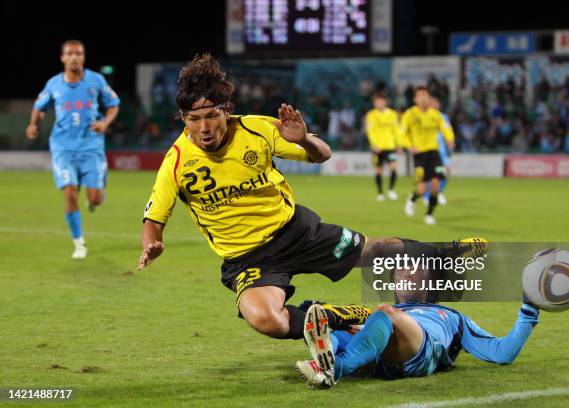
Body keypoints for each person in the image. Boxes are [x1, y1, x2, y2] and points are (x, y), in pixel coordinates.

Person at [137, 54, 485, 342]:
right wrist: (151, 244)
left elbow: (323, 154)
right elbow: (154, 218)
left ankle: (442, 253)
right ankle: (337, 318)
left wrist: (303, 140)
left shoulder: (257, 129)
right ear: (182, 118)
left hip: (296, 232)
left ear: (226, 109)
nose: (204, 128)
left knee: (378, 253)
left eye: (211, 115)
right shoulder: (177, 162)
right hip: (247, 260)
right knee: (265, 320)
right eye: (193, 119)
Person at [297, 296, 539, 388]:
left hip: (420, 353)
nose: (407, 275)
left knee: (383, 314)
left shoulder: (453, 317)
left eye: (414, 272)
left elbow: (502, 352)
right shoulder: (396, 308)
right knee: (344, 332)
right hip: (377, 347)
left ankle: (335, 367)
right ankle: (325, 356)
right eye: (401, 272)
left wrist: (530, 307)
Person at [26, 40, 120, 259]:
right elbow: (39, 108)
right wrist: (33, 125)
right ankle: (79, 243)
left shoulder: (96, 80)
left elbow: (114, 104)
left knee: (95, 199)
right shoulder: (53, 84)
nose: (74, 57)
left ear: (83, 57)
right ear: (63, 58)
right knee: (69, 191)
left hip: (91, 145)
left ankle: (96, 191)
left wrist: (105, 124)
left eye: (78, 53)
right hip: (62, 147)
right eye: (70, 53)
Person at [400, 87, 454, 225]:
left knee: (436, 186)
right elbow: (402, 133)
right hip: (419, 155)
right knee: (422, 188)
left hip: (434, 153)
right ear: (415, 99)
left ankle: (429, 214)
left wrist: (450, 138)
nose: (423, 98)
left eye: (425, 95)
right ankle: (412, 198)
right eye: (420, 96)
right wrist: (409, 146)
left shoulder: (435, 114)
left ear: (429, 98)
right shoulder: (410, 114)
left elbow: (446, 128)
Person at [364, 92, 401, 201]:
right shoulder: (371, 115)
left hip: (390, 146)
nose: (379, 103)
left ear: (385, 102)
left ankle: (391, 190)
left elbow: (397, 130)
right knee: (378, 170)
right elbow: (370, 131)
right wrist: (374, 144)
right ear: (374, 103)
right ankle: (380, 193)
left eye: (381, 101)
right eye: (377, 102)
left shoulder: (393, 114)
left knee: (394, 168)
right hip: (378, 148)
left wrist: (399, 144)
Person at [423, 97, 452, 206]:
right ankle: (426, 196)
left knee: (446, 172)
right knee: (430, 175)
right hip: (429, 149)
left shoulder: (444, 117)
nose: (435, 104)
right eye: (433, 103)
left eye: (436, 102)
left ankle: (439, 192)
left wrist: (450, 140)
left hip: (442, 150)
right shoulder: (425, 116)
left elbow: (448, 130)